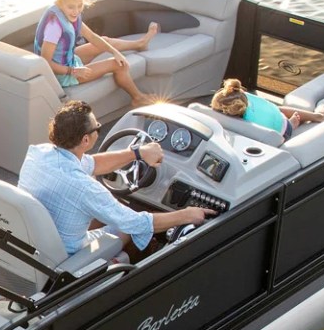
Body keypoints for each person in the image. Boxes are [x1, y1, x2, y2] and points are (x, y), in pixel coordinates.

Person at [19, 101, 210, 259]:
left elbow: (93, 163)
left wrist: (137, 153)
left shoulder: (38, 153)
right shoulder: (86, 188)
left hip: (34, 243)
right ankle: (122, 269)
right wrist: (186, 215)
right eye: (98, 127)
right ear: (85, 140)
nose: (99, 128)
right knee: (132, 227)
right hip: (67, 257)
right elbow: (138, 223)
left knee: (107, 214)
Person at [34, 0, 157, 105]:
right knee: (119, 65)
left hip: (68, 59)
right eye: (71, 7)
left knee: (105, 40)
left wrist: (115, 52)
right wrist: (73, 71)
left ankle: (140, 44)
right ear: (60, 4)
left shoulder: (67, 14)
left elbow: (92, 37)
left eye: (80, 6)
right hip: (62, 75)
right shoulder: (54, 27)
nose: (76, 11)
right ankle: (138, 98)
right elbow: (46, 63)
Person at [209, 77, 324, 136]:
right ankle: (316, 116)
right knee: (280, 110)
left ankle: (292, 124)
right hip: (276, 114)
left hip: (282, 132)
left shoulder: (244, 124)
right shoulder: (242, 96)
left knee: (286, 122)